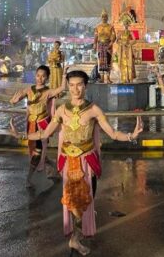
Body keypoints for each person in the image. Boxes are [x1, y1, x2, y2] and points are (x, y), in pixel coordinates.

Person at [21, 70, 143, 255]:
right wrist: (22, 135)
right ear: (68, 86)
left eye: (79, 84)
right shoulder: (62, 110)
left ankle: (76, 236)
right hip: (69, 162)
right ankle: (75, 239)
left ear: (85, 86)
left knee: (86, 201)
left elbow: (112, 133)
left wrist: (131, 136)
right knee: (73, 202)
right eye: (71, 85)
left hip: (88, 163)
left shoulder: (94, 110)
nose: (75, 89)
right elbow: (45, 134)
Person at [9, 65, 68, 187]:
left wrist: (64, 74)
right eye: (38, 75)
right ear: (35, 76)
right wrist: (14, 100)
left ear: (47, 78)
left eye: (43, 76)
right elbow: (16, 99)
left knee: (38, 152)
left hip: (42, 125)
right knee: (39, 153)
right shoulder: (28, 90)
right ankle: (55, 171)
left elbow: (62, 88)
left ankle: (28, 178)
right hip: (31, 125)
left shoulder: (48, 92)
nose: (40, 78)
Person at [93, 9, 116, 84]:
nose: (104, 18)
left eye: (105, 16)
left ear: (107, 18)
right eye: (103, 17)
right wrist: (94, 44)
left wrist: (111, 42)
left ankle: (108, 78)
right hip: (100, 45)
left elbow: (113, 35)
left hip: (108, 45)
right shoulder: (98, 27)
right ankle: (101, 77)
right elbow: (96, 37)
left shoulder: (110, 27)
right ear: (101, 18)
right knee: (101, 61)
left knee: (108, 60)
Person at [116, 13, 136, 83]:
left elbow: (134, 40)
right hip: (122, 50)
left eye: (127, 24)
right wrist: (122, 43)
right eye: (124, 24)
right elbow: (117, 41)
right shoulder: (120, 32)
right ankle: (124, 78)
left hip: (128, 49)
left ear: (128, 25)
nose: (126, 25)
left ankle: (130, 78)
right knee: (123, 63)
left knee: (129, 63)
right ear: (123, 25)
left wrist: (128, 43)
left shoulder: (130, 32)